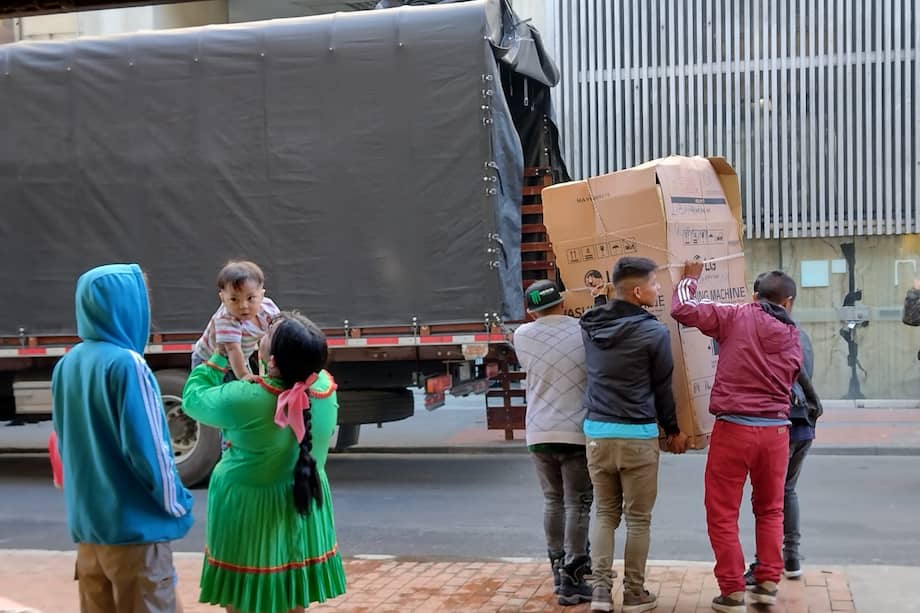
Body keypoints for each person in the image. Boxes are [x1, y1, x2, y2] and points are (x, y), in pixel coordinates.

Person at [52, 263, 193, 613]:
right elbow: (150, 450)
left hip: (89, 534)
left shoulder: (66, 365)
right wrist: (177, 504)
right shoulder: (129, 365)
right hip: (136, 534)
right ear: (125, 305)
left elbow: (65, 446)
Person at [182, 312, 346, 613]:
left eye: (266, 337)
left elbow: (193, 400)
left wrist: (219, 356)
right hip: (303, 502)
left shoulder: (248, 398)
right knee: (294, 595)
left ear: (271, 360)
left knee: (243, 599)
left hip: (248, 507)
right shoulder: (324, 387)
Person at [671, 263, 802, 613]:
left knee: (722, 512)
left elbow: (682, 308)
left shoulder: (736, 316)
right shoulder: (793, 334)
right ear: (787, 302)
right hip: (776, 432)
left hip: (734, 430)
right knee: (771, 509)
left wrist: (689, 277)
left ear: (754, 295)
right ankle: (767, 583)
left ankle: (731, 591)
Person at [579, 256, 688, 613]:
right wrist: (672, 431)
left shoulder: (589, 325)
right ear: (638, 291)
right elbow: (662, 389)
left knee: (605, 513)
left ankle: (599, 592)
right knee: (638, 518)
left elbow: (603, 315)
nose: (658, 289)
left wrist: (600, 297)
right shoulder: (654, 332)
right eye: (655, 284)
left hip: (596, 432)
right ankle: (634, 593)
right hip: (637, 435)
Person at [513, 280, 593, 606]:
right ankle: (574, 577)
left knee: (553, 500)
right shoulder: (583, 330)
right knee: (578, 503)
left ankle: (558, 569)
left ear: (531, 312)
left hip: (538, 431)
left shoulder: (521, 336)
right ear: (562, 302)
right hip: (576, 430)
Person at [744, 274, 824, 585]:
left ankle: (766, 565)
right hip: (804, 424)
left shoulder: (767, 335)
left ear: (756, 299)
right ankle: (791, 557)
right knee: (786, 491)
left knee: (767, 500)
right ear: (788, 302)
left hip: (779, 423)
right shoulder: (801, 334)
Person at [192, 260, 281, 382]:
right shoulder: (226, 319)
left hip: (239, 359)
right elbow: (232, 349)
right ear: (223, 298)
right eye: (234, 299)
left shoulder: (268, 309)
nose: (243, 306)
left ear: (261, 295)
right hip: (211, 361)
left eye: (250, 298)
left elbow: (277, 335)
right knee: (221, 395)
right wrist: (244, 375)